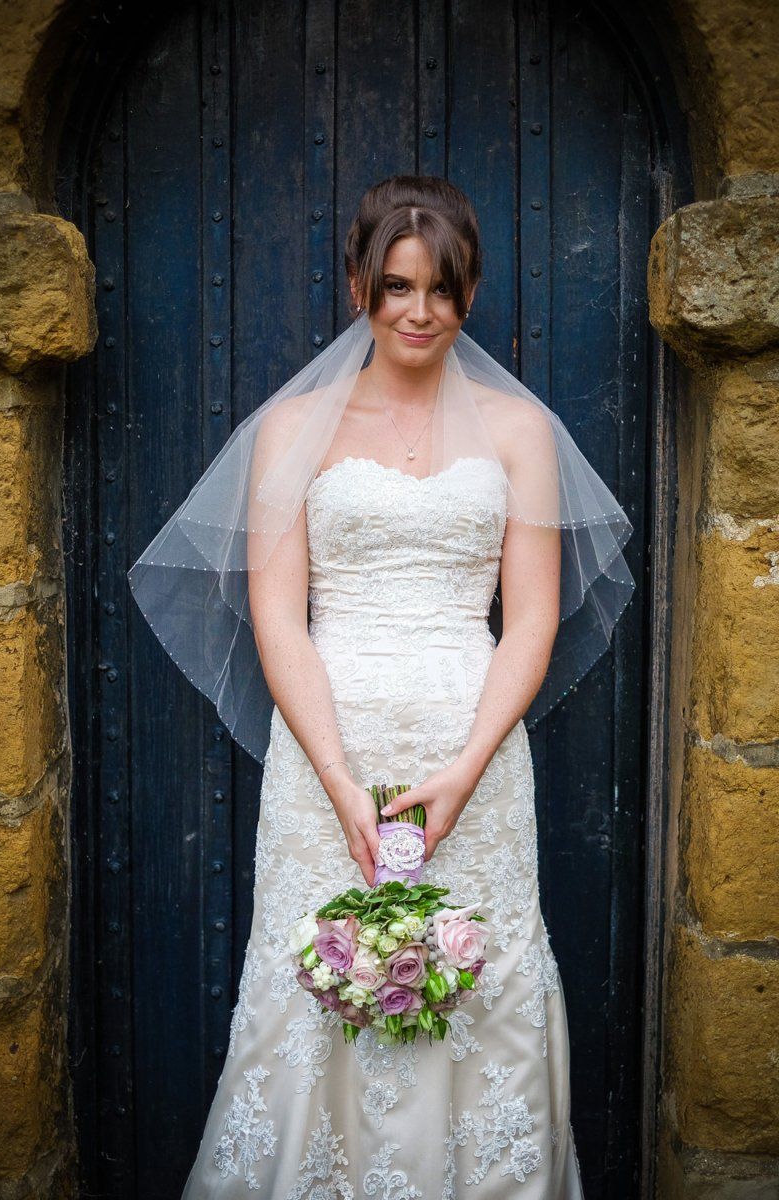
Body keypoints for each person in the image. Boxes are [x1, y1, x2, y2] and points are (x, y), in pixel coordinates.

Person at [130, 175, 633, 1197]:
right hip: (328, 747)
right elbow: (279, 615)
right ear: (359, 282)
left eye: (440, 290)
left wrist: (463, 767)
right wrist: (335, 778)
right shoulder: (294, 429)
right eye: (396, 285)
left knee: (477, 986)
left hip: (473, 748)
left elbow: (528, 615)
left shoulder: (516, 432)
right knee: (315, 985)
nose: (416, 312)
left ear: (468, 292)